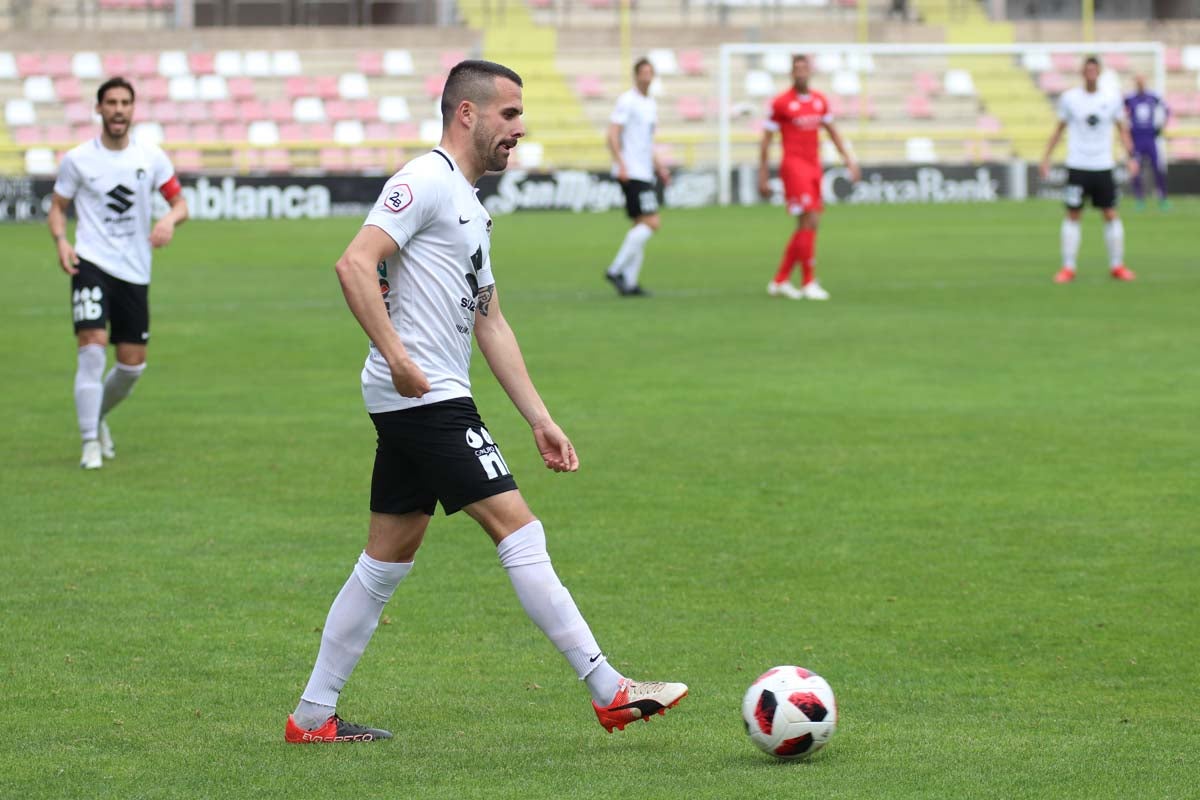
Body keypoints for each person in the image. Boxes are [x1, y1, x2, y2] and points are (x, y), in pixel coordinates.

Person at [285, 60, 687, 744]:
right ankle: (608, 688)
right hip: (426, 398)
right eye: (508, 115)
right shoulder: (424, 179)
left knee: (385, 561)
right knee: (518, 529)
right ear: (466, 114)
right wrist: (399, 357)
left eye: (521, 116)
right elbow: (354, 262)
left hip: (423, 396)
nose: (519, 129)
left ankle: (312, 718)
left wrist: (541, 418)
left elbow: (490, 320)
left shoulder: (470, 206)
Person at [47, 76, 188, 469]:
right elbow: (58, 207)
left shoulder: (151, 157)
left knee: (131, 365)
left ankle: (99, 415)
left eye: (125, 102)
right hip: (90, 262)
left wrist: (169, 221)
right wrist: (61, 241)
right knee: (91, 347)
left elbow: (181, 203)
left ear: (133, 109)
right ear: (99, 109)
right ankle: (89, 441)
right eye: (111, 102)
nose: (118, 109)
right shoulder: (78, 159)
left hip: (134, 270)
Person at [759, 54, 860, 301]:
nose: (801, 72)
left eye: (805, 68)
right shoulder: (781, 103)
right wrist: (762, 174)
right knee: (810, 219)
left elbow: (832, 131)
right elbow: (765, 141)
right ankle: (808, 282)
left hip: (814, 166)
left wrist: (848, 159)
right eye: (797, 69)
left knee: (807, 223)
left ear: (810, 72)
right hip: (794, 167)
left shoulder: (819, 101)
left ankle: (780, 280)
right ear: (791, 73)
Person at [1040, 56, 1139, 284]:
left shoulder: (1112, 98)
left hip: (1103, 165)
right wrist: (1046, 158)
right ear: (1082, 73)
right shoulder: (1070, 99)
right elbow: (1059, 129)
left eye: (1095, 70)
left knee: (1110, 213)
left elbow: (1122, 130)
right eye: (1088, 70)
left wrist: (1130, 157)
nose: (1091, 74)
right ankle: (1068, 267)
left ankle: (1117, 265)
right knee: (1073, 214)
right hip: (1078, 165)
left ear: (1099, 73)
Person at [603, 57, 670, 297]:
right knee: (652, 222)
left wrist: (660, 167)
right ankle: (615, 270)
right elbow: (612, 134)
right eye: (643, 72)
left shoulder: (650, 103)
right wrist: (621, 165)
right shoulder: (627, 101)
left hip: (644, 170)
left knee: (640, 224)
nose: (647, 76)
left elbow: (647, 142)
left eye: (651, 72)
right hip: (632, 171)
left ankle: (629, 283)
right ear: (636, 75)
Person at [1124, 74, 1170, 210]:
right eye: (1138, 81)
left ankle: (1163, 198)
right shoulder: (1129, 98)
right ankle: (1140, 199)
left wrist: (1160, 127)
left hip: (1150, 139)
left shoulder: (1153, 97)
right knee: (1135, 170)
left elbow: (1166, 110)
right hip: (1136, 139)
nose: (1140, 84)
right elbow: (1120, 114)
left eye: (1142, 81)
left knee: (1158, 168)